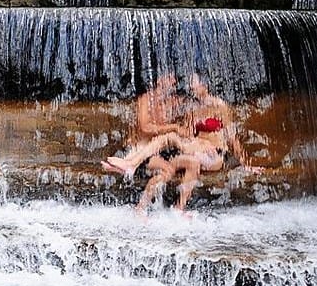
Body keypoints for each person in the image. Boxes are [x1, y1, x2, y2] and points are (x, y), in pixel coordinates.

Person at [104, 73, 254, 212]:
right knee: (170, 168)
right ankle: (169, 208)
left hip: (215, 154)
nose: (190, 87)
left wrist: (246, 163)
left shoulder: (220, 106)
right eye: (190, 83)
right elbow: (189, 135)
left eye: (193, 83)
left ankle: (131, 164)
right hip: (197, 151)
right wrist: (199, 142)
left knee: (170, 138)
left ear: (205, 85)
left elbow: (232, 137)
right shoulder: (192, 109)